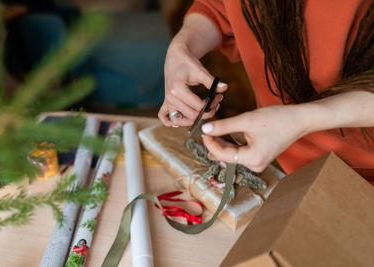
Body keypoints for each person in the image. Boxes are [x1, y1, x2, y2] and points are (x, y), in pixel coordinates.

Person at [158, 0, 374, 184]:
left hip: (363, 175)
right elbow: (220, 7)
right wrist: (184, 46)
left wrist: (302, 119)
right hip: (285, 164)